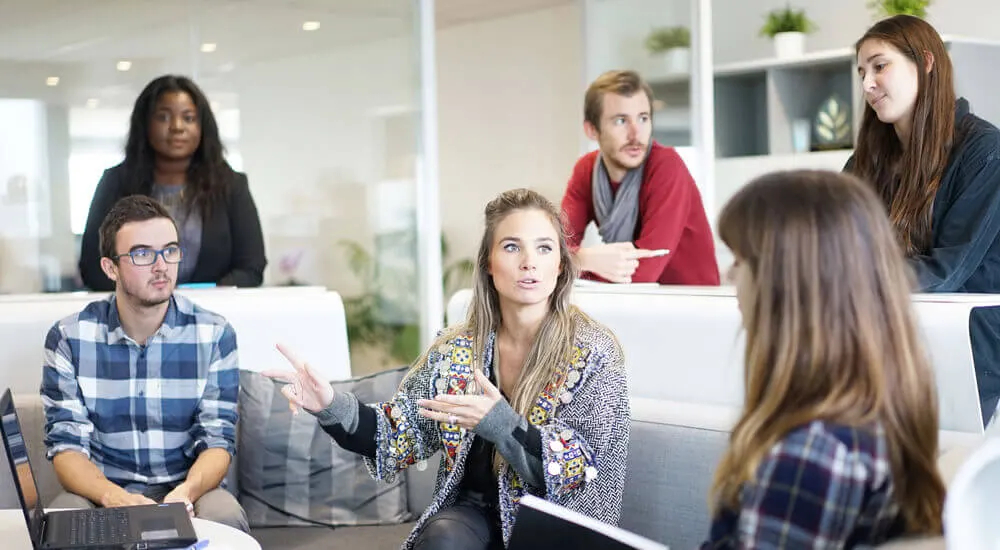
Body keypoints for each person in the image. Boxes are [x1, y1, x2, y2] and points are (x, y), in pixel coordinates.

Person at [265, 188, 630, 549]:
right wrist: (329, 404)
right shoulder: (456, 348)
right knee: (444, 539)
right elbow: (398, 433)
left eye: (544, 247)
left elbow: (581, 468)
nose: (529, 261)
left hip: (554, 524)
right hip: (471, 518)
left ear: (560, 264)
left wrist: (502, 425)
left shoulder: (594, 352)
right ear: (489, 262)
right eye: (511, 246)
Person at [704, 170, 945, 548]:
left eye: (740, 261)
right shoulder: (876, 415)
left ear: (784, 283)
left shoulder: (812, 455)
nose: (729, 275)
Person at [42, 196, 247, 532]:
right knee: (61, 518)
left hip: (188, 489)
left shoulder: (214, 334)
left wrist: (186, 493)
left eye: (170, 250)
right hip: (102, 490)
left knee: (225, 516)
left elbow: (218, 440)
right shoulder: (69, 337)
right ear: (111, 268)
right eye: (142, 254)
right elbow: (66, 447)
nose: (161, 265)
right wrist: (113, 496)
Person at [846, 15, 1000, 424]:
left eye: (880, 66)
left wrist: (849, 279)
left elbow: (947, 271)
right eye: (862, 72)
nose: (867, 84)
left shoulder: (985, 151)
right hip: (885, 336)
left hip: (967, 348)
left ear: (926, 62)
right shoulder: (864, 162)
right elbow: (835, 246)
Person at [79, 74, 266, 291]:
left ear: (202, 127)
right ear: (145, 124)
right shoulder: (115, 183)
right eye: (163, 117)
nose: (177, 127)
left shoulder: (232, 185)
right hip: (134, 317)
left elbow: (251, 267)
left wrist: (201, 301)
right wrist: (148, 297)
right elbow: (93, 268)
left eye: (188, 118)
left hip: (212, 315)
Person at [561, 69, 719, 285]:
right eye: (620, 121)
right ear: (592, 131)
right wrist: (584, 259)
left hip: (691, 305)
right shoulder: (586, 170)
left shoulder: (666, 165)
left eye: (643, 118)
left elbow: (644, 272)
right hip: (633, 303)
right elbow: (553, 251)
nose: (636, 134)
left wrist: (576, 262)